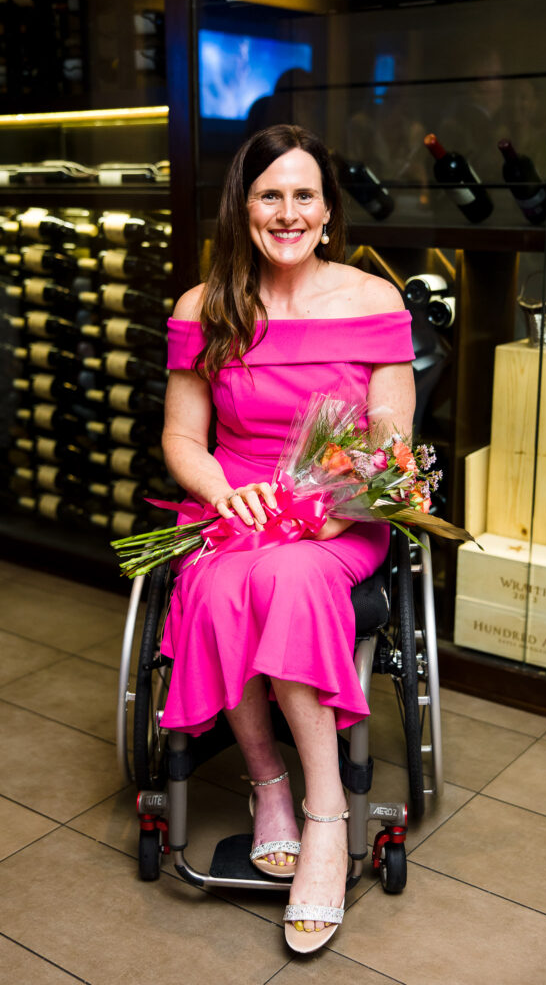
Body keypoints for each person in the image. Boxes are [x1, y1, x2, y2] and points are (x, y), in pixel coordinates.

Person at [161, 124, 415, 953]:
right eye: (269, 194)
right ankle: (267, 785)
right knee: (228, 581)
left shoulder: (373, 302)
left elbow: (389, 447)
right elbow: (182, 443)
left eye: (303, 194)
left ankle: (324, 813)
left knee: (294, 580)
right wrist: (230, 499)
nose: (287, 211)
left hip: (337, 517)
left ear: (328, 213)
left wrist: (333, 509)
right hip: (232, 506)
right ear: (243, 208)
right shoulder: (204, 308)